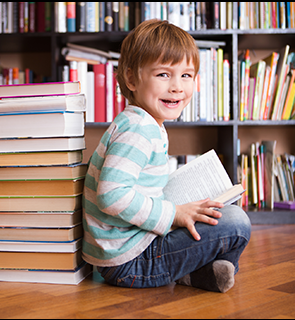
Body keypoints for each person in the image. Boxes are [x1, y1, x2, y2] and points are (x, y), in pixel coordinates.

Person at [82, 19, 251, 292]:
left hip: (131, 250)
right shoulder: (138, 128)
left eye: (186, 75)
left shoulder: (145, 122)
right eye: (163, 75)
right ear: (131, 78)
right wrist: (174, 213)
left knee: (218, 212)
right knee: (236, 223)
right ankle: (194, 272)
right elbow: (112, 195)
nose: (177, 87)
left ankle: (195, 274)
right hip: (130, 261)